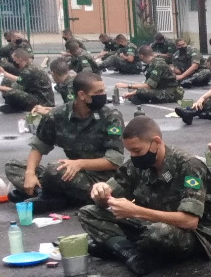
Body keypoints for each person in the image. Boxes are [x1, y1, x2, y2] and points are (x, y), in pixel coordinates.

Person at [79, 116, 211, 276]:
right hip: (150, 222)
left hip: (196, 234)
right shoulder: (137, 165)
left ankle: (117, 247)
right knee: (88, 212)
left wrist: (135, 211)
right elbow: (109, 196)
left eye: (137, 150)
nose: (133, 156)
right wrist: (100, 191)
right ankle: (130, 253)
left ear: (156, 142)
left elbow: (190, 221)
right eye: (130, 151)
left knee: (158, 233)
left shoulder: (189, 166)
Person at [4, 71, 124, 212]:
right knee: (13, 166)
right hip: (70, 173)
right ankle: (49, 195)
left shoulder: (110, 117)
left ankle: (49, 196)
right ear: (82, 95)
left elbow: (115, 161)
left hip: (99, 179)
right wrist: (30, 174)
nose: (103, 95)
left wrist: (79, 164)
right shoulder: (58, 116)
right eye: (99, 92)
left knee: (55, 171)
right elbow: (39, 146)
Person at [115, 45, 183, 105]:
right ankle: (141, 98)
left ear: (141, 56)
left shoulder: (158, 64)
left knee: (140, 92)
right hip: (160, 88)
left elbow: (149, 86)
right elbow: (148, 83)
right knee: (135, 91)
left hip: (171, 92)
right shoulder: (151, 64)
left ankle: (143, 99)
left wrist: (127, 86)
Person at [0, 48, 54, 113]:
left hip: (43, 101)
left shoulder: (28, 71)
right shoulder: (29, 66)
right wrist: (5, 73)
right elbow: (20, 79)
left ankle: (20, 107)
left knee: (10, 93)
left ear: (20, 59)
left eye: (14, 59)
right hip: (40, 95)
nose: (13, 61)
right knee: (7, 81)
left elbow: (14, 88)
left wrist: (2, 88)